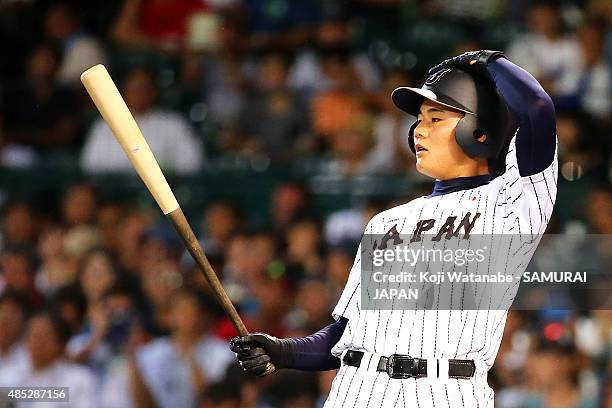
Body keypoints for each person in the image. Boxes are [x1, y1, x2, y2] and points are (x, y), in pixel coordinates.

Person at [229, 50, 558, 407]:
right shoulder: (386, 221)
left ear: (479, 131)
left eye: (436, 118)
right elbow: (346, 335)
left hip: (444, 390)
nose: (420, 129)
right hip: (358, 388)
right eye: (419, 120)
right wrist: (283, 351)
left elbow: (537, 108)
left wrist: (485, 61)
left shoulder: (509, 206)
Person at [80, 68, 206, 174]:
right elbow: (90, 164)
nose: (138, 93)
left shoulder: (174, 124)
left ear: (153, 92)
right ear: (124, 92)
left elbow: (192, 163)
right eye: (133, 88)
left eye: (143, 88)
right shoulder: (104, 126)